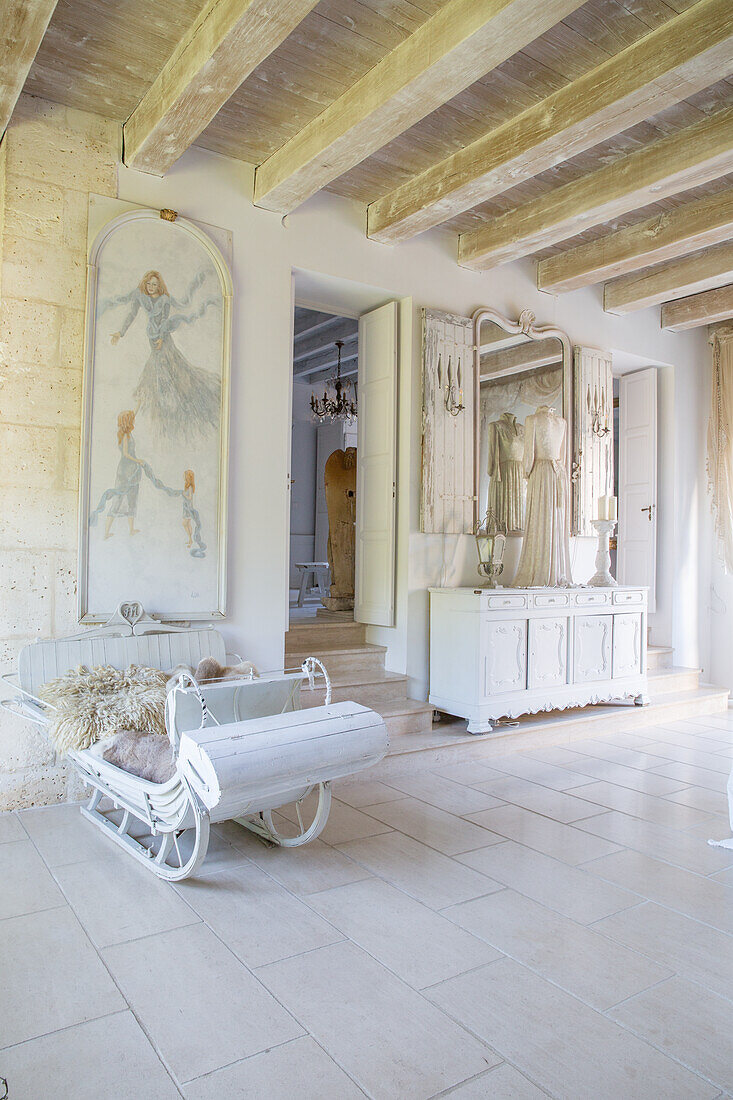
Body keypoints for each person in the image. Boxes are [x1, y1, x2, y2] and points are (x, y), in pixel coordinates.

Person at [104, 269, 220, 439]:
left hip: (162, 340)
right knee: (158, 369)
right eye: (149, 283)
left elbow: (165, 320)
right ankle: (158, 406)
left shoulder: (164, 300)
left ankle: (174, 405)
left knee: (169, 367)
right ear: (145, 283)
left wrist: (161, 338)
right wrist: (120, 333)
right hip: (151, 338)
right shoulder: (140, 296)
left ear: (160, 286)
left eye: (155, 284)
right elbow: (131, 314)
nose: (151, 287)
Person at [104, 411, 144, 539]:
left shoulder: (126, 434)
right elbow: (126, 454)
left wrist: (139, 403)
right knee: (118, 499)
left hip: (131, 469)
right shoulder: (126, 436)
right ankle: (106, 532)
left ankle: (131, 529)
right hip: (126, 469)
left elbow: (134, 413)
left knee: (132, 498)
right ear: (128, 422)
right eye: (132, 420)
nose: (134, 421)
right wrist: (138, 461)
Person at [182, 469, 195, 548]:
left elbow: (190, 498)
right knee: (188, 523)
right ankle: (190, 540)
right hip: (186, 507)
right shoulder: (186, 485)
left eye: (184, 475)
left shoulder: (190, 487)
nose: (183, 477)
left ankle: (190, 539)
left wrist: (184, 495)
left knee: (184, 523)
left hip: (188, 508)